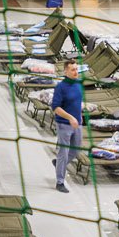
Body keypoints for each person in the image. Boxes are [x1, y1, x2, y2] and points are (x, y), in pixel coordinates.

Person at [48, 57, 85, 193]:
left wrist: (79, 115)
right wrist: (70, 118)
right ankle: (60, 182)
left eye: (76, 69)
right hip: (64, 124)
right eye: (72, 70)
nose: (76, 72)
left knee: (75, 151)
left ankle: (58, 164)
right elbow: (56, 107)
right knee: (63, 153)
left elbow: (77, 102)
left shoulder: (78, 84)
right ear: (65, 71)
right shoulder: (60, 87)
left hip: (77, 123)